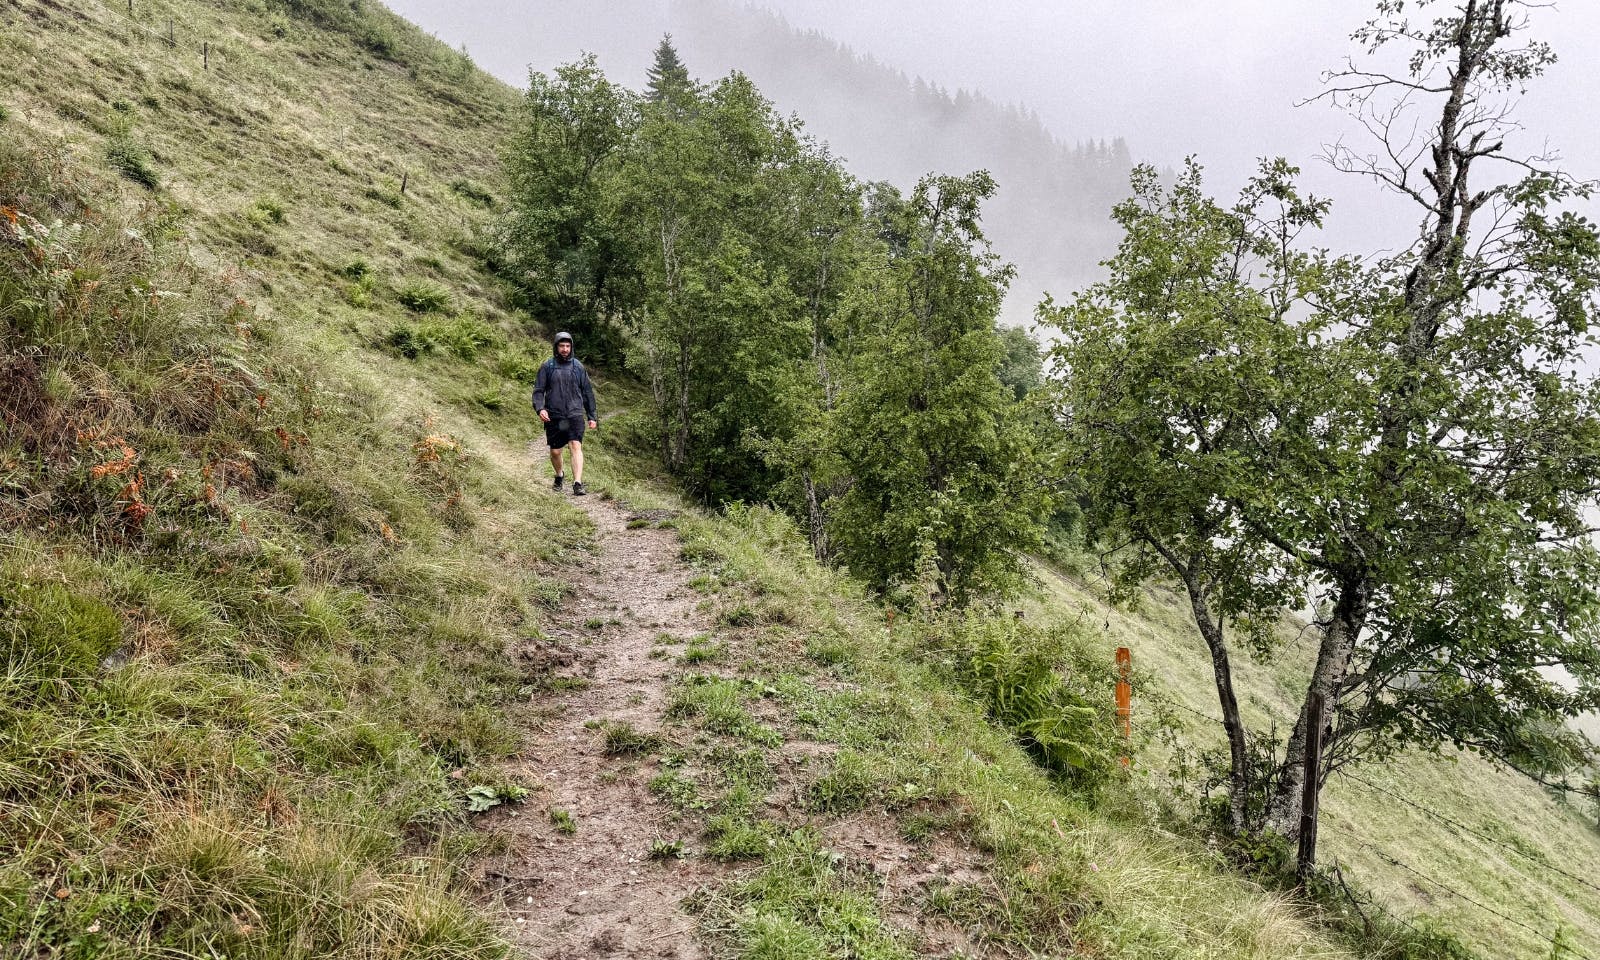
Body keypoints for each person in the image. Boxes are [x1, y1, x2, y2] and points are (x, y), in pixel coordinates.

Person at [531, 331, 598, 495]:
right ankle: (559, 475)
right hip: (555, 415)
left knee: (575, 446)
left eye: (568, 346)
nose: (565, 349)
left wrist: (592, 416)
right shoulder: (548, 366)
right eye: (562, 346)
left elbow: (588, 392)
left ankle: (577, 483)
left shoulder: (578, 367)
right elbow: (538, 391)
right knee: (555, 452)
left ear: (571, 347)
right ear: (556, 347)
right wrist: (540, 408)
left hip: (574, 414)